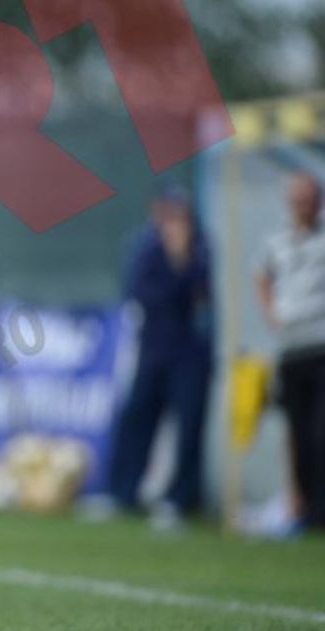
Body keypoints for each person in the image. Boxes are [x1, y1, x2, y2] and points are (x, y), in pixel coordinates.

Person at [108, 187, 213, 530]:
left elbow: (200, 294)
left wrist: (181, 259)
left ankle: (181, 498)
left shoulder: (199, 248)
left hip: (191, 353)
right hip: (154, 350)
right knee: (138, 418)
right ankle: (122, 492)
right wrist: (173, 268)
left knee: (188, 427)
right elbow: (143, 293)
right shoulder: (146, 247)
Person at [256, 172, 325, 531]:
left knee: (320, 429)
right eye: (298, 200)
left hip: (321, 346)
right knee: (297, 433)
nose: (303, 207)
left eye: (309, 200)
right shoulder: (276, 240)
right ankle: (305, 507)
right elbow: (262, 277)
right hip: (291, 349)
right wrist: (273, 314)